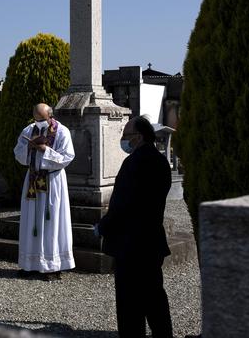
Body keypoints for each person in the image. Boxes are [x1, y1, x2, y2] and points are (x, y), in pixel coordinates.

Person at [95, 115, 173, 338]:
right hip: (152, 239)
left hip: (130, 243)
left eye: (126, 135)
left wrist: (103, 226)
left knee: (130, 303)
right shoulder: (160, 161)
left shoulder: (133, 163)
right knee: (154, 297)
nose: (123, 139)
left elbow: (122, 204)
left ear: (138, 137)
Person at [14, 103, 75, 280]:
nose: (39, 123)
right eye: (36, 119)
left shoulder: (62, 132)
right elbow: (18, 153)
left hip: (53, 180)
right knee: (31, 220)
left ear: (50, 116)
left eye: (42, 120)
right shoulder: (28, 130)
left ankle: (52, 266)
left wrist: (45, 150)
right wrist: (28, 147)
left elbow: (67, 156)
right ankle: (30, 264)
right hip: (33, 179)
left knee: (51, 221)